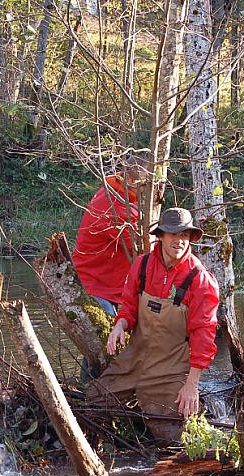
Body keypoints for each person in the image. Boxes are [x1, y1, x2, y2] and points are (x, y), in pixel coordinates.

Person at [86, 207, 219, 443]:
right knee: (93, 402)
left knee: (172, 440)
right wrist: (120, 325)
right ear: (161, 236)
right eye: (173, 234)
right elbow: (128, 305)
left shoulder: (200, 279)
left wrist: (191, 385)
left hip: (170, 370)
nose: (179, 241)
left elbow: (204, 334)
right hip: (134, 359)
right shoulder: (143, 264)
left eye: (184, 235)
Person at [72, 156, 147, 318]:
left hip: (100, 285)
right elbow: (143, 248)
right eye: (143, 184)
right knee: (109, 341)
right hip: (96, 288)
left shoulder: (115, 193)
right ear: (127, 179)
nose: (145, 190)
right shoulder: (115, 207)